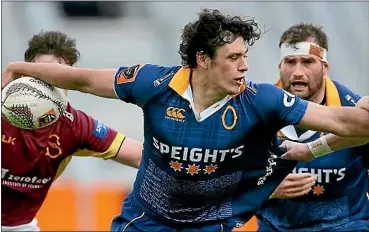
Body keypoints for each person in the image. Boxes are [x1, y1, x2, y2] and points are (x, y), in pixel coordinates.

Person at [2, 9, 369, 231]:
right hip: (144, 223)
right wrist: (19, 68)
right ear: (204, 59)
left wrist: (315, 146)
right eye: (233, 57)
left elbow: (343, 122)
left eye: (245, 56)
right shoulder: (153, 83)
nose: (244, 66)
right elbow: (83, 79)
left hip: (211, 225)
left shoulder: (263, 99)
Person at [1, 30, 143, 231]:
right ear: (24, 75)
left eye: (58, 77)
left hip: (20, 226)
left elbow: (140, 156)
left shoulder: (75, 126)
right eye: (41, 76)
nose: (48, 86)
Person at [256, 23, 369, 231]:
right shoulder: (255, 110)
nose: (298, 72)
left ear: (325, 67)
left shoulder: (354, 110)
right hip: (274, 226)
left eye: (308, 62)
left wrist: (312, 149)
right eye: (290, 62)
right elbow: (213, 181)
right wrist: (264, 188)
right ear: (280, 66)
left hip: (344, 225)